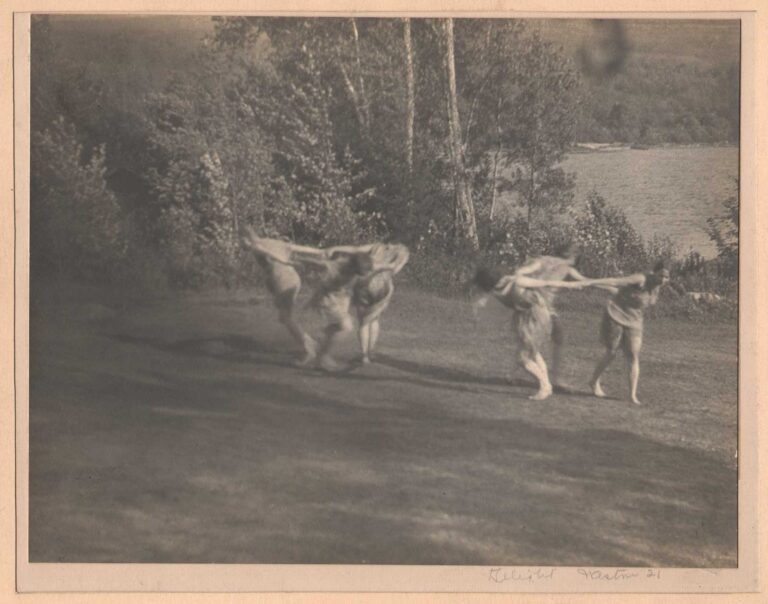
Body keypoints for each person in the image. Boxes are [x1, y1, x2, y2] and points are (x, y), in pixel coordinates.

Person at [472, 265, 593, 400]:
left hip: (536, 316)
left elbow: (547, 283)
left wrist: (571, 285)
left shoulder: (518, 282)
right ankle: (545, 387)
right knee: (534, 354)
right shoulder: (496, 289)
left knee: (523, 358)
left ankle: (546, 386)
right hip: (524, 317)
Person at [586, 261, 671, 405]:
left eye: (666, 277)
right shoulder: (640, 279)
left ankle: (632, 395)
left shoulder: (657, 287)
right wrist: (589, 281)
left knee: (633, 355)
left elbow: (629, 296)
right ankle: (594, 382)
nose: (663, 280)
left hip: (634, 320)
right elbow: (615, 282)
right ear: (654, 272)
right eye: (661, 275)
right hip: (615, 314)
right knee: (611, 352)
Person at [512, 242, 592, 387]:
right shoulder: (564, 267)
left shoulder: (545, 261)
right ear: (573, 257)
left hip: (542, 307)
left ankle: (550, 378)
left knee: (554, 338)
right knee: (531, 343)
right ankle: (548, 379)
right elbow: (586, 281)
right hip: (536, 306)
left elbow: (521, 271)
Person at [241, 227, 324, 365]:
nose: (240, 244)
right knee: (285, 317)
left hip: (283, 279)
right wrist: (319, 252)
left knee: (286, 318)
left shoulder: (256, 246)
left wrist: (286, 262)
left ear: (246, 237)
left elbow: (269, 254)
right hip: (293, 278)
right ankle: (312, 344)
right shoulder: (271, 241)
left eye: (240, 240)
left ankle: (310, 349)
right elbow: (295, 247)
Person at [325, 243, 410, 364]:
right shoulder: (403, 253)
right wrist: (385, 266)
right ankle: (370, 351)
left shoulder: (377, 246)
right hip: (383, 286)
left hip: (364, 283)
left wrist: (335, 247)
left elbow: (356, 249)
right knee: (374, 319)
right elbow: (395, 270)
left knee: (363, 322)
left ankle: (364, 356)